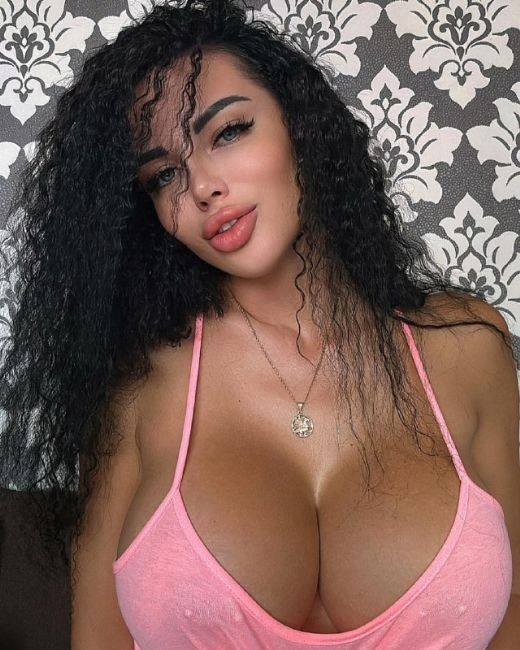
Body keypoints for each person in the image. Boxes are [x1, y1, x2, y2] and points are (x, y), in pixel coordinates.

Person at [0, 0, 518, 648]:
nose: (200, 188)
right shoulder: (136, 389)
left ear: (301, 125)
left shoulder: (467, 347)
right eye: (163, 174)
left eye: (228, 132)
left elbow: (513, 614)